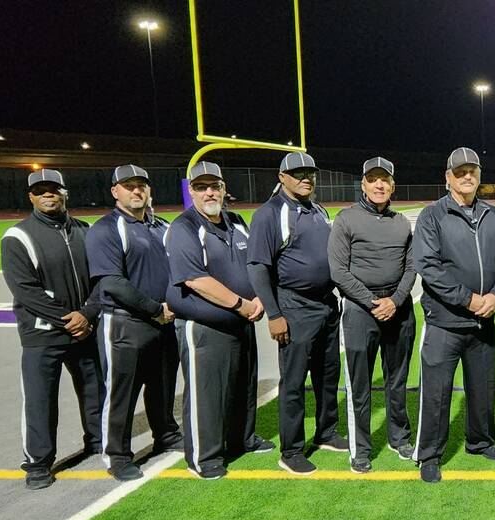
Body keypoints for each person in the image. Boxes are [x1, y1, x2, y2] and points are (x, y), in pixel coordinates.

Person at [166, 162, 272, 480]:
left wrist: (260, 299)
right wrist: (241, 304)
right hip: (206, 325)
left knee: (242, 386)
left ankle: (243, 438)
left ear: (224, 189)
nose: (209, 192)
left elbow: (255, 263)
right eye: (201, 187)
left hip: (242, 320)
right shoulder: (183, 228)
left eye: (215, 185)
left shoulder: (236, 222)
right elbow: (195, 279)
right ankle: (204, 456)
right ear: (191, 191)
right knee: (207, 393)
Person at [412, 147, 495, 483]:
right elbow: (428, 266)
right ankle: (430, 454)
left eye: (472, 171)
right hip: (444, 321)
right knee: (436, 391)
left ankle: (479, 442)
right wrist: (468, 299)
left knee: (482, 387)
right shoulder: (432, 216)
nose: (467, 176)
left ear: (479, 176)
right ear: (448, 177)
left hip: (484, 319)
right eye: (460, 171)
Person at [2, 169, 103, 489]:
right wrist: (68, 318)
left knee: (94, 390)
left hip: (85, 328)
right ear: (30, 196)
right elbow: (25, 289)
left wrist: (87, 313)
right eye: (40, 190)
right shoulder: (17, 236)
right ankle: (38, 462)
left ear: (64, 192)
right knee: (40, 399)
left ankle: (99, 441)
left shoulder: (84, 230)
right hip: (42, 334)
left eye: (53, 189)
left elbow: (100, 279)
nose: (48, 195)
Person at [248, 152, 347, 475]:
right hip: (295, 306)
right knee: (293, 382)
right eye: (298, 173)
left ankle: (327, 431)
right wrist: (274, 313)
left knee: (327, 374)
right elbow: (259, 266)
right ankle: (290, 450)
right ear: (282, 177)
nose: (306, 178)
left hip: (325, 304)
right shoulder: (270, 214)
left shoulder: (316, 209)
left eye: (310, 173)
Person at [87, 164, 182, 481]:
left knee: (163, 384)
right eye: (129, 185)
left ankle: (166, 433)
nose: (137, 190)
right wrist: (155, 308)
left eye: (142, 184)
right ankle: (117, 454)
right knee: (121, 393)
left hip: (164, 321)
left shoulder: (160, 226)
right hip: (126, 323)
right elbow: (112, 282)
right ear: (115, 191)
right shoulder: (105, 229)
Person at [328, 157, 417, 472]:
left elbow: (411, 266)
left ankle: (399, 437)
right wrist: (372, 301)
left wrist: (396, 299)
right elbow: (338, 271)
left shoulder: (401, 222)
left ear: (392, 185)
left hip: (398, 308)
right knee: (360, 384)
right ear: (363, 184)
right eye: (373, 180)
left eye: (385, 180)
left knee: (398, 379)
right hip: (360, 310)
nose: (379, 185)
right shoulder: (346, 219)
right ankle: (361, 448)